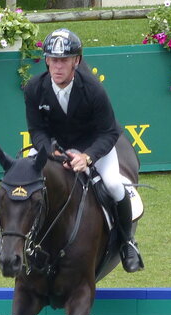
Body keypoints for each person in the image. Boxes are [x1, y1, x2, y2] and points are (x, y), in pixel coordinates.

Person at [23, 28, 144, 273]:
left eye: (64, 61)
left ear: (76, 61)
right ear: (46, 60)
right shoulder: (34, 88)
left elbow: (109, 132)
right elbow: (36, 131)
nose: (57, 67)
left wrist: (87, 157)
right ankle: (15, 240)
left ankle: (127, 243)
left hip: (94, 146)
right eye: (53, 60)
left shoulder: (93, 89)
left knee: (112, 185)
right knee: (22, 177)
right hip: (55, 147)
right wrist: (51, 153)